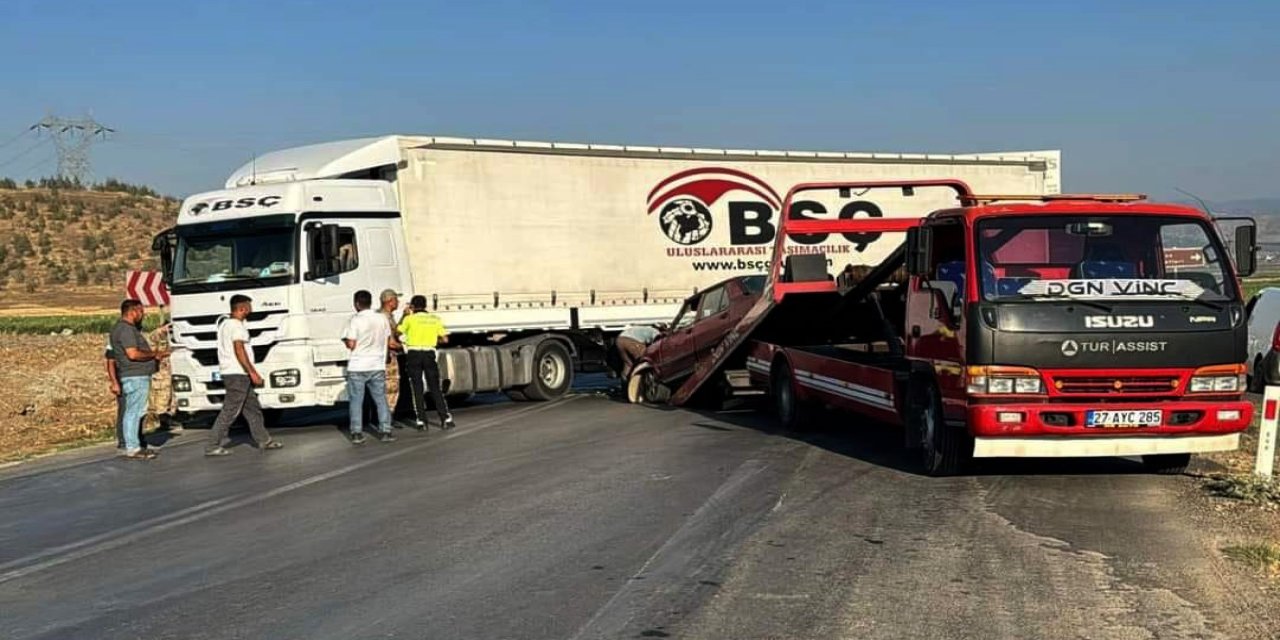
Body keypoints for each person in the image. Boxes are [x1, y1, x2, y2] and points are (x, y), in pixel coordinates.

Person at [205, 295, 282, 456]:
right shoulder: (237, 326)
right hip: (237, 374)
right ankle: (212, 445)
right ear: (242, 308)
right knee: (230, 410)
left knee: (252, 409)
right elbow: (239, 349)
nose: (251, 309)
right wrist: (252, 372)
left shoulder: (225, 325)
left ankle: (264, 439)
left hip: (233, 372)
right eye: (249, 306)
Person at [109, 299, 167, 460]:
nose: (143, 315)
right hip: (135, 376)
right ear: (132, 311)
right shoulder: (126, 330)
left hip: (134, 375)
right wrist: (153, 354)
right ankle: (132, 447)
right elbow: (133, 354)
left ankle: (132, 444)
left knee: (135, 411)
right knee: (134, 412)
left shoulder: (122, 329)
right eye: (141, 311)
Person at [343, 289, 398, 444]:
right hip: (377, 365)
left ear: (356, 304)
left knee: (356, 401)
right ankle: (386, 431)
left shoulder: (355, 320)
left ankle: (356, 433)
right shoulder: (382, 319)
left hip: (358, 366)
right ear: (370, 302)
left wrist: (346, 341)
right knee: (381, 399)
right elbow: (388, 340)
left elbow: (351, 344)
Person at [398, 295, 455, 430]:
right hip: (429, 353)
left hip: (414, 354)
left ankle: (421, 421)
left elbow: (397, 331)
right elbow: (445, 339)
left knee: (417, 388)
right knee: (435, 387)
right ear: (425, 305)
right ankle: (445, 418)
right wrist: (434, 341)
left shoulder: (409, 319)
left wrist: (404, 315)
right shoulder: (435, 319)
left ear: (412, 306)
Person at [377, 289, 409, 427]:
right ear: (390, 301)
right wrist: (405, 347)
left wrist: (403, 317)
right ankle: (387, 418)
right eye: (396, 299)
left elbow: (396, 331)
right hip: (388, 358)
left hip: (380, 357)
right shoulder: (385, 317)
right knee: (391, 388)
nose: (398, 302)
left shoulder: (383, 315)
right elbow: (391, 341)